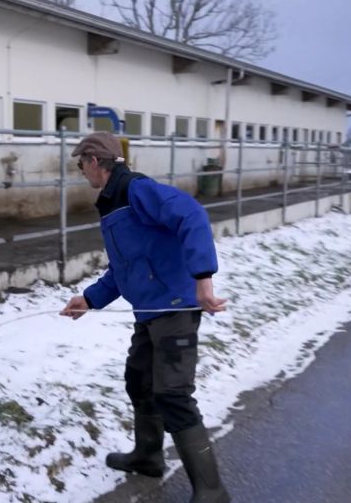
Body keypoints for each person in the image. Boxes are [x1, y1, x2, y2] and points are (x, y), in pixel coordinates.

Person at [60, 132, 231, 502]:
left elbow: (192, 215)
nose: (80, 171)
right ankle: (148, 456)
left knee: (173, 395)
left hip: (175, 309)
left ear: (94, 161)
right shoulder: (111, 202)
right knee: (140, 382)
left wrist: (203, 279)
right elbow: (126, 267)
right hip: (151, 312)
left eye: (80, 164)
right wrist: (89, 299)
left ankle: (212, 491)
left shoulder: (136, 190)